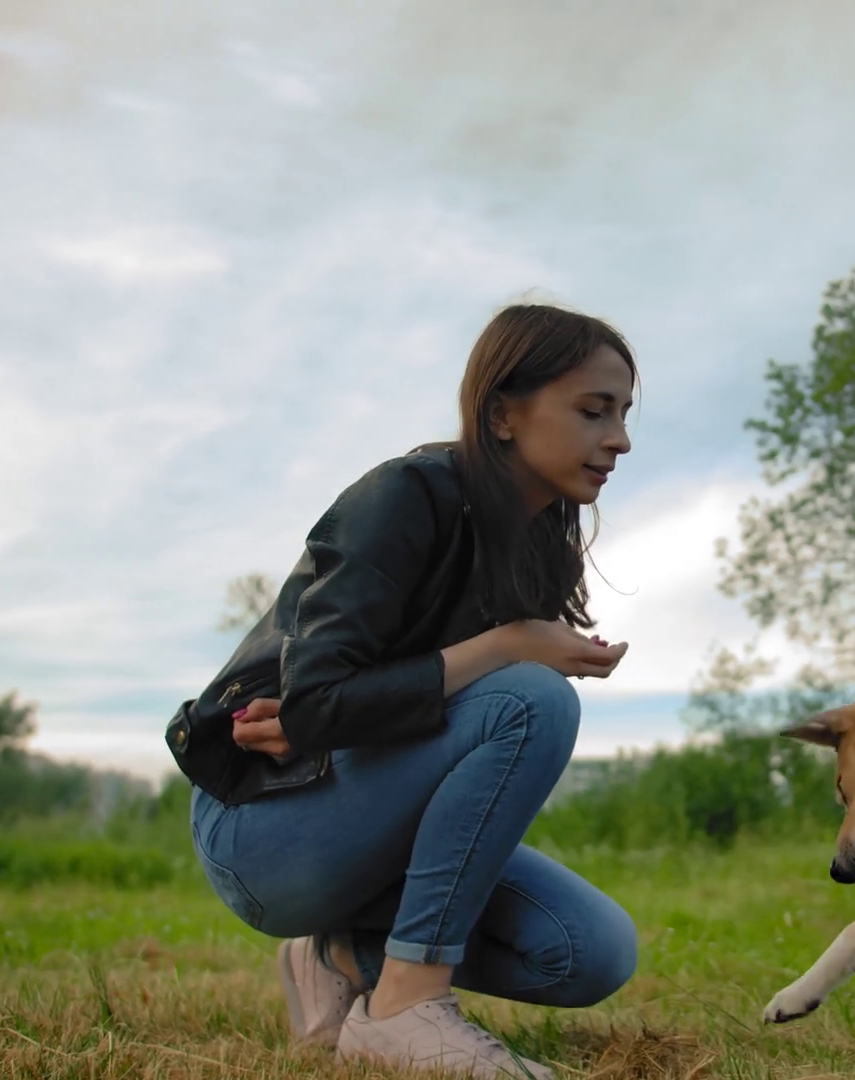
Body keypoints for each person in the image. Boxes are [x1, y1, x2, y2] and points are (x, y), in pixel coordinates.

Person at [170, 303, 640, 1079]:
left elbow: (364, 718)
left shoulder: (540, 543)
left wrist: (363, 711)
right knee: (534, 698)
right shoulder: (405, 495)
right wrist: (508, 645)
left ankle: (338, 957)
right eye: (594, 411)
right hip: (261, 824)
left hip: (367, 823)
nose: (619, 438)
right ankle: (405, 1006)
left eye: (622, 414)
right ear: (502, 414)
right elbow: (318, 704)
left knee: (591, 951)